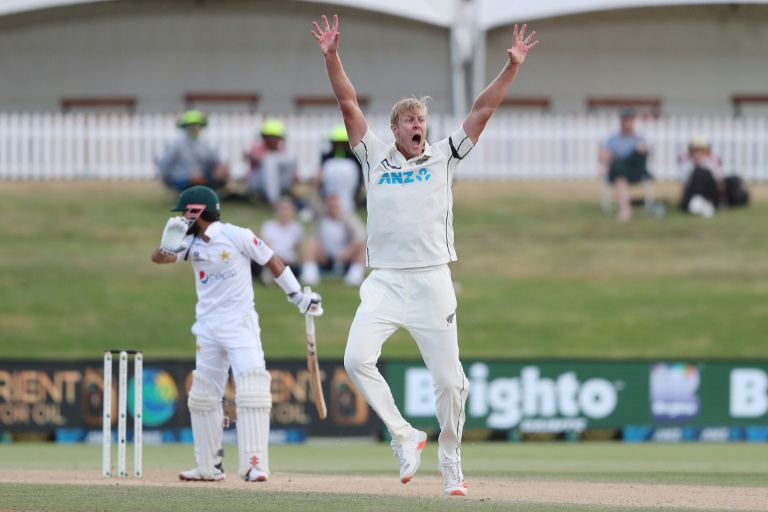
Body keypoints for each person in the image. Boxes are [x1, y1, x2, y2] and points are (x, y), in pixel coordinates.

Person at [311, 14, 537, 496]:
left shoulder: (444, 155)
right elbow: (347, 102)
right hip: (385, 281)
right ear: (394, 128)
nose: (419, 126)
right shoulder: (373, 155)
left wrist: (512, 67)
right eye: (410, 120)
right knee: (355, 359)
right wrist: (332, 56)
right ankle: (404, 434)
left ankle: (450, 462)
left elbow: (482, 110)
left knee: (449, 385)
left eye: (422, 120)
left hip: (433, 280)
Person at [150, 185, 321, 483]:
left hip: (240, 323)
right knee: (203, 396)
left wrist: (297, 296)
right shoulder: (189, 243)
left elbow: (272, 260)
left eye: (184, 212)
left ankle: (254, 465)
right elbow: (159, 259)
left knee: (252, 389)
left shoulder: (236, 234)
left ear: (197, 211)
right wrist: (166, 245)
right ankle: (208, 467)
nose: (181, 219)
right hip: (206, 326)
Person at [301, 194, 366, 287]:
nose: (333, 209)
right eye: (330, 206)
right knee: (311, 243)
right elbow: (312, 235)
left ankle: (355, 275)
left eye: (335, 206)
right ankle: (310, 275)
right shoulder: (321, 218)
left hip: (344, 256)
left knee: (361, 244)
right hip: (325, 257)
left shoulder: (348, 218)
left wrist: (346, 252)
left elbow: (360, 234)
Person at [156, 110, 230, 192]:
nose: (193, 128)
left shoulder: (205, 146)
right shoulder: (177, 146)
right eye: (190, 125)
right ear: (185, 127)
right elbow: (165, 166)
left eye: (196, 125)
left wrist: (220, 169)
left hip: (203, 178)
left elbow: (216, 163)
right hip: (182, 180)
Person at [598, 107, 651, 222]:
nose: (626, 122)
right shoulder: (612, 139)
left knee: (631, 156)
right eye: (624, 119)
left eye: (629, 119)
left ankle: (625, 211)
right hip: (619, 173)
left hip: (635, 171)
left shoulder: (640, 138)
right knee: (619, 172)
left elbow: (643, 155)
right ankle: (626, 210)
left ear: (633, 121)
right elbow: (603, 156)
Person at [243, 118, 299, 207]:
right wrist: (259, 157)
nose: (272, 140)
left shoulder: (283, 152)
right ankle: (274, 202)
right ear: (264, 137)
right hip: (257, 184)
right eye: (269, 137)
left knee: (290, 158)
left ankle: (279, 196)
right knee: (269, 160)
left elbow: (292, 172)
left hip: (279, 184)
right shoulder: (257, 148)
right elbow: (247, 155)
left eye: (275, 137)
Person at [253, 197, 305, 283]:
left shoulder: (296, 228)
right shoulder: (268, 226)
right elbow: (265, 245)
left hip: (289, 262)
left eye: (287, 210)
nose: (284, 213)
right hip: (272, 259)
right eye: (282, 210)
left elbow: (300, 248)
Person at [316, 125, 364, 213]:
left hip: (348, 203)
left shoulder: (354, 160)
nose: (340, 146)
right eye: (337, 143)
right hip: (329, 204)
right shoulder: (326, 160)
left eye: (342, 143)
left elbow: (358, 182)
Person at [677, 136, 722, 217]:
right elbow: (684, 184)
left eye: (700, 151)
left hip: (707, 194)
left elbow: (716, 182)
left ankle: (705, 203)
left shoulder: (710, 164)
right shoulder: (686, 165)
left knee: (702, 172)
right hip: (692, 193)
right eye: (695, 151)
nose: (697, 153)